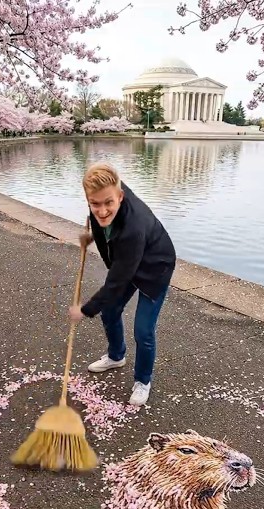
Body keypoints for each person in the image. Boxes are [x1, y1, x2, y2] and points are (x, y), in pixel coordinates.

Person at [68, 163, 176, 406]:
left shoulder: (133, 229)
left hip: (155, 267)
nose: (103, 210)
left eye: (109, 203)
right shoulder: (102, 195)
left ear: (121, 197)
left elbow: (117, 281)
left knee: (143, 330)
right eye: (95, 203)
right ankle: (116, 356)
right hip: (129, 261)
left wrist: (85, 310)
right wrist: (92, 237)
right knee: (111, 310)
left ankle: (143, 380)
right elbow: (99, 217)